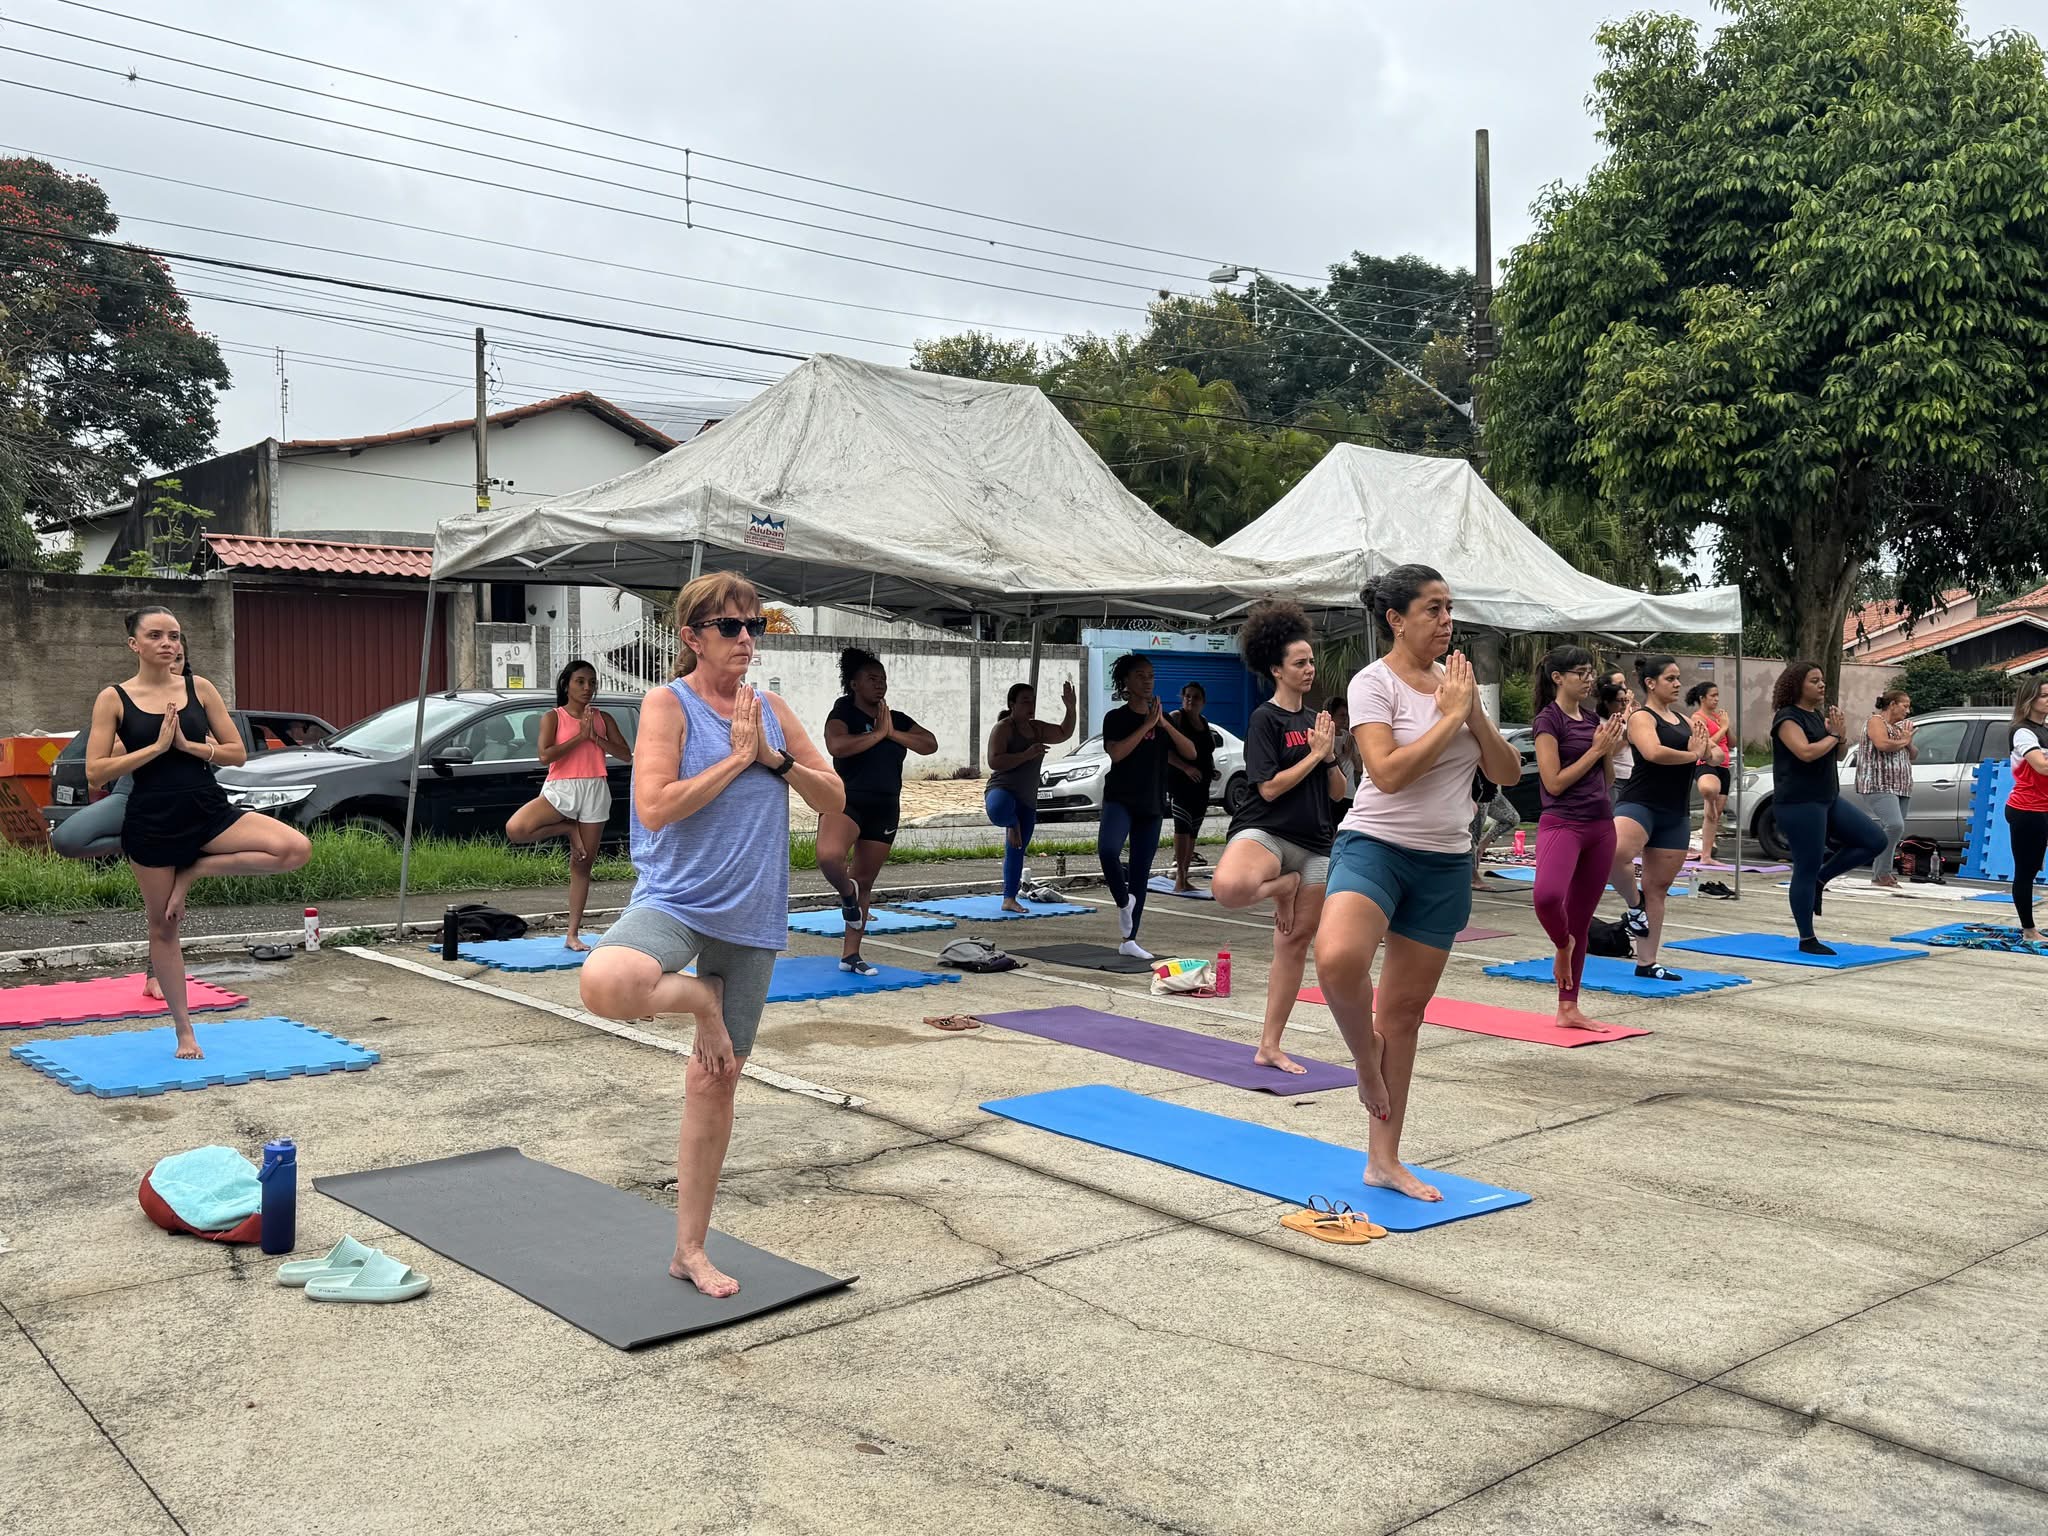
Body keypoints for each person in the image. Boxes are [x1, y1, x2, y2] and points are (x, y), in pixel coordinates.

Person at [578, 574, 843, 1298]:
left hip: (751, 913)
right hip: (678, 901)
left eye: (754, 625)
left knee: (715, 1082)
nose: (746, 639)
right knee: (606, 982)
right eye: (730, 627)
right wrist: (735, 758)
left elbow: (834, 797)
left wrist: (776, 759)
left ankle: (689, 1250)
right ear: (692, 637)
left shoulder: (773, 711)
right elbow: (657, 807)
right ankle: (703, 1000)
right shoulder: (669, 705)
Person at [1314, 566, 1521, 1202]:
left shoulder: (1458, 686)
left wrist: (1473, 716)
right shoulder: (1372, 684)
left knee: (1402, 1016)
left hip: (1443, 861)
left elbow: (1507, 772)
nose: (1446, 620)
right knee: (1338, 958)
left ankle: (1384, 1159)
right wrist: (1446, 717)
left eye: (1450, 608)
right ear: (1396, 620)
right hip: (1375, 845)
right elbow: (1388, 771)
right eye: (1432, 609)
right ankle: (1362, 1060)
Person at [84, 607, 311, 1059]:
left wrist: (189, 746)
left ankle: (192, 873)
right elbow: (95, 772)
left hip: (207, 808)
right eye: (156, 635)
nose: (168, 643)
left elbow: (237, 754)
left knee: (294, 848)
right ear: (135, 644)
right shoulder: (114, 698)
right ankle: (184, 1030)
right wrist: (153, 749)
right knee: (163, 928)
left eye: (174, 635)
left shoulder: (198, 688)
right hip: (152, 819)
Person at [1211, 603, 1348, 1075]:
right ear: (1276, 669)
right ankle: (1281, 887)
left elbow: (1338, 793)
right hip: (1266, 830)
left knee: (1292, 946)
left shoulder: (1318, 722)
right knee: (1228, 889)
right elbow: (1268, 787)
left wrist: (1329, 758)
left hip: (1315, 842)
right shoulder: (1264, 720)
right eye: (1300, 663)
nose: (1309, 670)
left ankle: (1269, 1044)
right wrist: (1313, 756)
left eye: (1311, 662)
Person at [817, 648, 937, 975]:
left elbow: (930, 744)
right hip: (846, 799)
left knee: (865, 882)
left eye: (883, 679)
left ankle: (850, 955)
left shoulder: (893, 717)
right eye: (872, 679)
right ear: (854, 683)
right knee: (829, 856)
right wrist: (875, 736)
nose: (880, 684)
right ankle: (846, 893)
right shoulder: (843, 711)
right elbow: (837, 746)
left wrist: (890, 733)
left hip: (884, 805)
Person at [1531, 645, 1628, 1029]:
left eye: (1591, 673)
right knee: (1548, 896)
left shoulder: (1591, 719)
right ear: (1559, 678)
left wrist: (1606, 749)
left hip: (1600, 825)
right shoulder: (1547, 721)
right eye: (1581, 673)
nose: (1589, 679)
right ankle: (1561, 944)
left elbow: (1607, 780)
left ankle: (1568, 1007)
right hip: (1563, 823)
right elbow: (1553, 783)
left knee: (1582, 919)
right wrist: (1595, 750)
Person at [505, 659, 632, 950]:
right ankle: (568, 827)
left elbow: (625, 754)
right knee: (516, 829)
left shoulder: (603, 718)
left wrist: (596, 737)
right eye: (580, 682)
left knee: (582, 865)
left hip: (594, 788)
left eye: (592, 682)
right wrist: (580, 737)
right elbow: (545, 756)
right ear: (567, 684)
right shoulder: (553, 717)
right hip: (562, 789)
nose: (587, 688)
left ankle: (572, 934)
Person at [1771, 661, 1887, 956]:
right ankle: (1807, 938)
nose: (1822, 685)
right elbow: (1805, 752)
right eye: (1814, 681)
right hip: (1799, 802)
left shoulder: (1817, 715)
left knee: (1874, 840)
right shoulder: (1787, 718)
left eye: (1822, 680)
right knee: (1805, 867)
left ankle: (1823, 878)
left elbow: (1836, 754)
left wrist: (1840, 735)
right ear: (1798, 685)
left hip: (1826, 797)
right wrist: (1832, 736)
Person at [1608, 656, 1712, 982]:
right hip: (1641, 803)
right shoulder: (1642, 716)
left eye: (1678, 678)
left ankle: (1647, 962)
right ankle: (1633, 902)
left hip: (1674, 812)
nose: (1678, 683)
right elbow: (1653, 752)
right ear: (1651, 683)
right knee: (1615, 853)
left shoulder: (1684, 719)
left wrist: (1708, 749)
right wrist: (1694, 755)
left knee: (1659, 888)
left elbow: (1714, 754)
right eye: (1670, 678)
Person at [1098, 655, 1198, 962]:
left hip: (1151, 804)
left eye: (1151, 675)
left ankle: (1130, 939)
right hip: (1120, 798)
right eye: (1140, 675)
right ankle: (1122, 902)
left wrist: (1163, 722)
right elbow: (1117, 753)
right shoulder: (1116, 718)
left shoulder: (1162, 720)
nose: (1147, 680)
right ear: (1126, 682)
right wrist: (1147, 725)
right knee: (1108, 851)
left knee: (1140, 872)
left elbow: (1190, 751)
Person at [984, 678, 1078, 912]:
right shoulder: (1004, 728)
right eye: (1025, 701)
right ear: (1012, 704)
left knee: (1016, 850)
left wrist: (1071, 708)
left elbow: (1064, 732)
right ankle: (1011, 823)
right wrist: (1026, 755)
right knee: (998, 811)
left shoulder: (1037, 728)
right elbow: (994, 761)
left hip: (1027, 799)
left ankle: (1009, 898)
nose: (1030, 705)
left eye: (1033, 701)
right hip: (1002, 790)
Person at [1855, 691, 1917, 888]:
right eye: (1904, 706)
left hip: (1901, 785)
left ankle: (1880, 872)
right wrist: (1903, 741)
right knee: (1894, 825)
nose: (1908, 711)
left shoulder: (1898, 728)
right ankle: (1882, 873)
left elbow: (1913, 754)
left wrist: (1908, 741)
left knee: (1895, 829)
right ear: (1892, 704)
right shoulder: (1876, 721)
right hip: (1878, 783)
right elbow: (1882, 744)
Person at [2007, 679, 2048, 944]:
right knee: (2027, 871)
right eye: (2045, 695)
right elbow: (2041, 767)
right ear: (2030, 699)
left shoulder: (2045, 729)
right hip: (2027, 810)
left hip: (2044, 808)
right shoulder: (2022, 732)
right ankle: (2028, 929)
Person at [1165, 682, 1216, 892]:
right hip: (1181, 783)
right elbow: (1165, 751)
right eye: (1187, 696)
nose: (1190, 700)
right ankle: (1179, 877)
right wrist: (1186, 768)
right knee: (1182, 828)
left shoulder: (1204, 723)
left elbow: (1207, 753)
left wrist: (1211, 770)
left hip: (1201, 786)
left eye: (1195, 697)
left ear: (1202, 702)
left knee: (1194, 831)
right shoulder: (1176, 718)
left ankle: (1185, 875)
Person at [1687, 681, 1732, 862]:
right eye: (1713, 695)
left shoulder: (1717, 717)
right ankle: (1709, 798)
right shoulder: (1698, 718)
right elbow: (1706, 743)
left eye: (1717, 695)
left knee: (1715, 815)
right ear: (1702, 698)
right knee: (1709, 793)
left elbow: (1732, 742)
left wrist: (1727, 726)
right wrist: (1723, 728)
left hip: (1724, 767)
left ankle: (1706, 855)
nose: (1716, 699)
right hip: (1707, 763)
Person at [1597, 670, 1636, 803]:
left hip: (1631, 774)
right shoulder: (1601, 723)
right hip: (1616, 777)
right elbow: (1607, 752)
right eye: (1619, 684)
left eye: (1624, 683)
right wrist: (1626, 738)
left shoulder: (1622, 715)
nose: (1624, 687)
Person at [1327, 695, 1361, 819]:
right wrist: (1340, 754)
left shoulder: (1349, 737)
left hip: (1349, 792)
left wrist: (1350, 752)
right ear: (1331, 715)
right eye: (1341, 715)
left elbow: (1359, 767)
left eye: (1346, 715)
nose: (1345, 719)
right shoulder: (1325, 736)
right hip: (1331, 793)